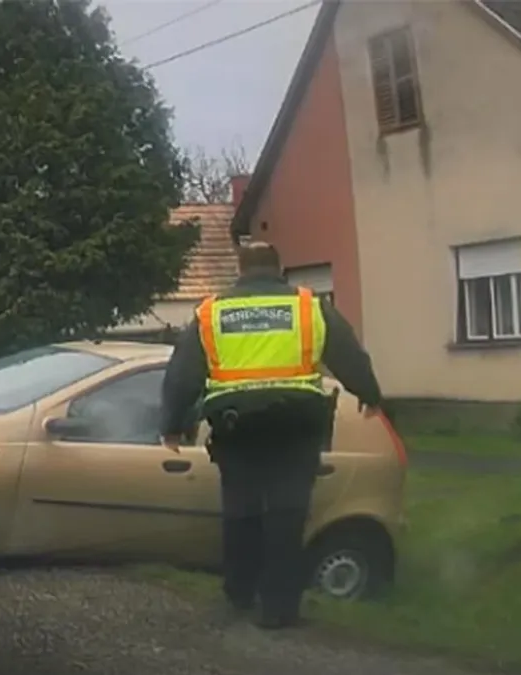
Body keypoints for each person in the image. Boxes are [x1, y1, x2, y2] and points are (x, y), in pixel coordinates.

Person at [159, 241, 382, 630]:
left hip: (236, 427)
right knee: (287, 515)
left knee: (241, 512)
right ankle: (279, 610)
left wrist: (173, 425)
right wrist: (370, 395)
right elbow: (348, 353)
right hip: (296, 426)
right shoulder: (309, 306)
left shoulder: (212, 312)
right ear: (279, 268)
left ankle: (239, 594)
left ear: (240, 269)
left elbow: (182, 375)